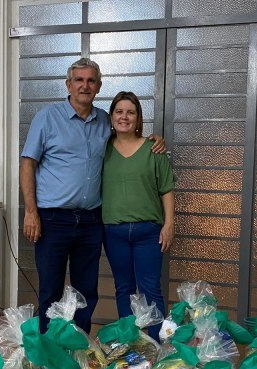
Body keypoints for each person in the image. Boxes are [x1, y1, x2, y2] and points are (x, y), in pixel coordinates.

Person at [20, 58, 165, 334]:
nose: (84, 86)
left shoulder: (103, 121)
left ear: (98, 86)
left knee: (87, 290)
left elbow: (127, 140)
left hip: (90, 221)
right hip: (52, 219)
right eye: (79, 80)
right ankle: (50, 353)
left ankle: (81, 346)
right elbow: (28, 163)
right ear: (68, 84)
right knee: (50, 288)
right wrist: (30, 211)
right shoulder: (47, 118)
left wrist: (154, 139)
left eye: (90, 81)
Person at [102, 92, 175, 340]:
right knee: (123, 289)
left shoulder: (154, 149)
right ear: (111, 116)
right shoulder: (102, 149)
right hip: (114, 233)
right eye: (119, 111)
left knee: (151, 290)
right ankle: (129, 344)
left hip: (149, 232)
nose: (124, 117)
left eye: (130, 112)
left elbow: (166, 189)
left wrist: (169, 224)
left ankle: (157, 345)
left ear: (138, 117)